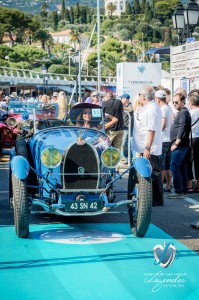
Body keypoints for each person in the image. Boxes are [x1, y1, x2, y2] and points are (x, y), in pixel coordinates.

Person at [132, 85, 163, 206]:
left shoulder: (151, 109)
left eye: (139, 94)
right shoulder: (149, 107)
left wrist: (147, 147)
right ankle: (155, 198)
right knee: (153, 171)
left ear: (143, 96)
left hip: (150, 147)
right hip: (147, 146)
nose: (138, 96)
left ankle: (157, 199)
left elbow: (151, 130)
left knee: (154, 172)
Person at [167, 93, 191, 198]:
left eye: (177, 102)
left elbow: (182, 128)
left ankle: (178, 191)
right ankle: (183, 189)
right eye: (173, 102)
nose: (174, 104)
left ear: (183, 102)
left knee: (174, 166)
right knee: (181, 167)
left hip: (180, 145)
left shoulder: (183, 113)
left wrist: (176, 143)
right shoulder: (182, 112)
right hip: (182, 144)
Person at [155, 90, 173, 193]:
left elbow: (162, 125)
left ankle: (160, 187)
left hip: (163, 140)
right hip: (168, 139)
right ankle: (168, 185)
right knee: (167, 166)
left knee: (161, 166)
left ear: (157, 99)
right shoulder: (169, 107)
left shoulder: (163, 109)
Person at [186, 92, 199, 192]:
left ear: (191, 102)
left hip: (191, 138)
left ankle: (189, 185)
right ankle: (198, 185)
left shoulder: (190, 113)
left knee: (189, 162)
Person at [120, 93, 133, 165]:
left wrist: (123, 108)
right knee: (124, 144)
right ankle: (128, 159)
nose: (121, 100)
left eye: (122, 98)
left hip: (127, 127)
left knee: (125, 143)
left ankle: (129, 159)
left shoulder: (130, 105)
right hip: (122, 127)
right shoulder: (121, 105)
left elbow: (131, 109)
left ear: (125, 99)